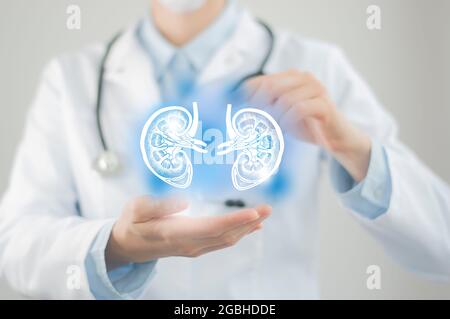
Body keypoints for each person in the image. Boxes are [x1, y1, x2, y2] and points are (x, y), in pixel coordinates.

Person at [0, 0, 449, 299]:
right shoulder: (72, 78)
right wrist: (114, 247)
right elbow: (14, 245)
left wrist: (352, 146)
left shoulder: (315, 65)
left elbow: (441, 247)